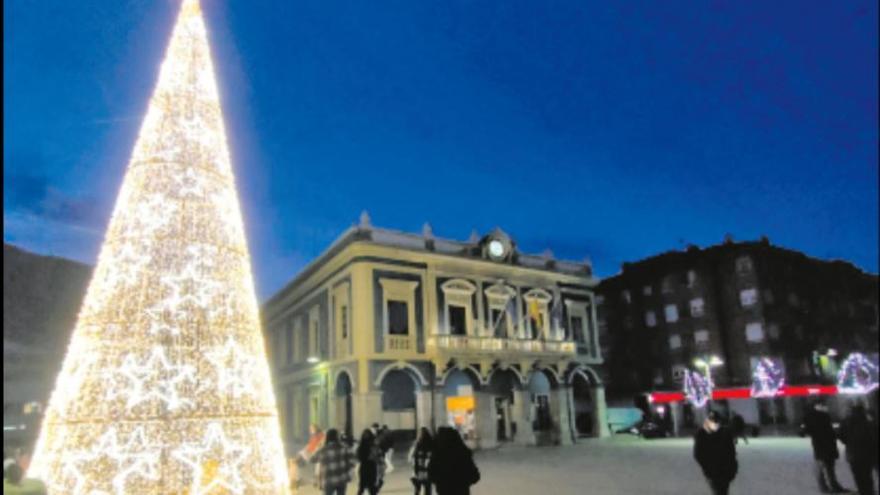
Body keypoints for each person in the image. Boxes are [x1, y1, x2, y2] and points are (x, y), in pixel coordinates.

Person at [801, 400, 849, 493]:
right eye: (824, 406)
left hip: (821, 445)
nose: (826, 407)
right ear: (818, 406)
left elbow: (804, 431)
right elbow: (828, 430)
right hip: (826, 445)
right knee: (827, 467)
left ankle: (827, 487)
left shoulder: (810, 417)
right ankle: (831, 486)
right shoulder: (821, 416)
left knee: (824, 467)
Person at [693, 410, 738, 495]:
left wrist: (732, 469)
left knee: (720, 491)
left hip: (722, 471)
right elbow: (698, 454)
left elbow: (731, 453)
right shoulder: (702, 433)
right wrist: (707, 467)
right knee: (720, 491)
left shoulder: (724, 433)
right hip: (715, 471)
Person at [838, 403, 879, 495]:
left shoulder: (845, 422)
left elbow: (840, 436)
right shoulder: (868, 422)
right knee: (867, 477)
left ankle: (862, 491)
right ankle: (869, 492)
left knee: (858, 477)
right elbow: (874, 437)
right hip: (867, 454)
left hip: (852, 455)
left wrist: (848, 443)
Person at [428, 426, 480, 495]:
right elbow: (475, 476)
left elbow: (431, 475)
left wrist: (441, 482)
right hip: (461, 491)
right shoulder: (463, 454)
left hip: (444, 491)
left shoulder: (437, 455)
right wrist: (463, 482)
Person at [310, 428, 356, 495]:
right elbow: (353, 461)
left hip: (328, 480)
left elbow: (312, 459)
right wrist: (346, 468)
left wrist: (319, 445)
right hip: (341, 479)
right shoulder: (344, 447)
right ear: (337, 437)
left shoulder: (323, 449)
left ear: (327, 437)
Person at [356, 428, 385, 495]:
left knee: (370, 487)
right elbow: (359, 457)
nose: (366, 437)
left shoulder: (373, 445)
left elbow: (379, 455)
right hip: (365, 467)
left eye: (367, 435)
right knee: (363, 486)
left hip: (370, 467)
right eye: (365, 435)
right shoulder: (362, 445)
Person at [409, 427, 434, 495]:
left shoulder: (417, 444)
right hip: (428, 470)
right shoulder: (432, 443)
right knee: (428, 489)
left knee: (417, 489)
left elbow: (412, 457)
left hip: (419, 469)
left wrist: (414, 470)